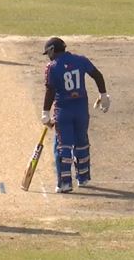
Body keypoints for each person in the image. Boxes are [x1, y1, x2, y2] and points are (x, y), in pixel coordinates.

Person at [40, 37, 110, 193]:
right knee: (81, 143)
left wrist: (45, 112)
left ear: (52, 50)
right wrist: (103, 95)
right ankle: (83, 178)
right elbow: (97, 75)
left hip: (63, 111)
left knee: (62, 146)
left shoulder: (52, 67)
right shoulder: (81, 60)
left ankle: (65, 183)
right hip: (81, 110)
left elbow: (50, 91)